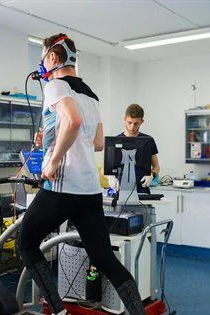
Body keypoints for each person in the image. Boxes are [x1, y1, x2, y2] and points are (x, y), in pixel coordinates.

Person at [18, 34, 145, 315]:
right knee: (103, 258)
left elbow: (73, 121)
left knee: (26, 243)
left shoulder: (54, 85)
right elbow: (97, 142)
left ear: (52, 58)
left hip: (62, 186)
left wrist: (53, 162)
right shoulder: (90, 94)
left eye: (43, 57)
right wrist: (50, 137)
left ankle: (59, 311)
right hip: (89, 190)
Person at [117, 104, 160, 194]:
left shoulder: (148, 141)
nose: (132, 127)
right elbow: (106, 168)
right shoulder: (116, 141)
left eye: (136, 123)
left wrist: (152, 175)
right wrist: (110, 178)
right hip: (121, 190)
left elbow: (156, 166)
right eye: (129, 122)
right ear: (125, 119)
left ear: (142, 121)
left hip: (142, 190)